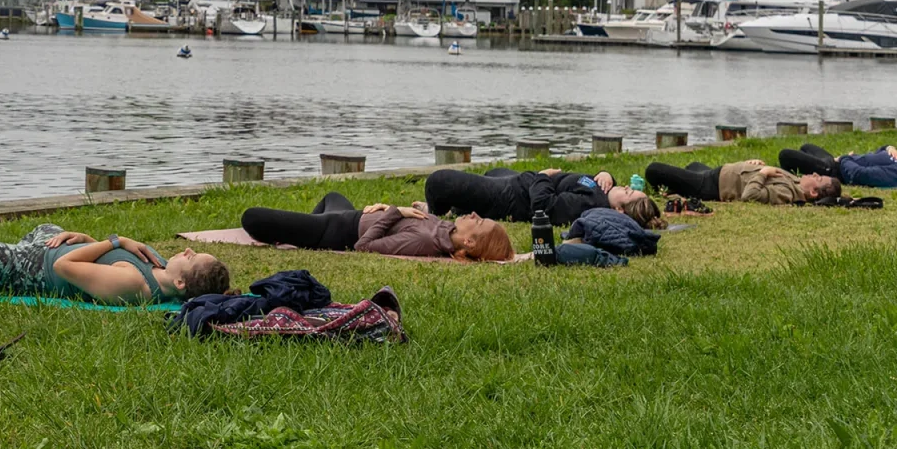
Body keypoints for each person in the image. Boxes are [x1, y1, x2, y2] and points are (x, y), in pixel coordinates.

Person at [0, 224, 229, 305]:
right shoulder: (159, 263)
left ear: (180, 284)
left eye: (192, 257)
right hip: (46, 248)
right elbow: (103, 262)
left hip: (26, 268)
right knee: (46, 227)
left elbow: (64, 268)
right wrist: (86, 239)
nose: (187, 249)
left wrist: (116, 240)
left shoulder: (134, 286)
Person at [241, 191, 517, 260]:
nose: (472, 214)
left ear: (469, 242)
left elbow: (365, 246)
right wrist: (392, 209)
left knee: (251, 217)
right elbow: (417, 218)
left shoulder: (424, 243)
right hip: (348, 215)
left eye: (477, 221)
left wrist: (394, 210)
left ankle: (299, 232)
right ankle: (294, 228)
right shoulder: (445, 229)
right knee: (332, 197)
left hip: (338, 231)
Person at [424, 166, 657, 226]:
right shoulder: (604, 192)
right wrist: (605, 174)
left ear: (619, 210)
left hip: (513, 197)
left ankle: (432, 210)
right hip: (519, 181)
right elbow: (588, 182)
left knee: (438, 181)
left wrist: (543, 176)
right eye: (629, 187)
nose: (625, 187)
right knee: (493, 172)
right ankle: (458, 208)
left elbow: (544, 206)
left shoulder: (587, 204)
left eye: (627, 193)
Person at [644, 157, 838, 204]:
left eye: (817, 178)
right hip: (716, 173)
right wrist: (753, 164)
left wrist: (762, 173)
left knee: (654, 170)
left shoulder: (788, 192)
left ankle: (670, 191)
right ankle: (679, 187)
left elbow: (750, 195)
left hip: (712, 185)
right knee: (693, 164)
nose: (813, 174)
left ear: (813, 192)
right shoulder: (795, 181)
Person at [778, 142, 897, 189]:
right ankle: (803, 172)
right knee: (807, 147)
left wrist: (844, 159)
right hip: (838, 162)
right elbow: (881, 153)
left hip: (834, 170)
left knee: (785, 154)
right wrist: (889, 147)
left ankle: (793, 180)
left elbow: (857, 174)